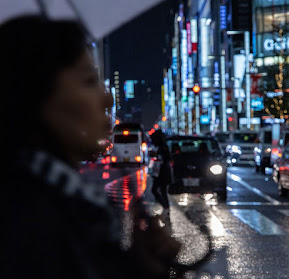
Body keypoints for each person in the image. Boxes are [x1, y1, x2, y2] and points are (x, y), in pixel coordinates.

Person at [0, 16, 180, 279]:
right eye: (88, 81)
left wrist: (142, 265)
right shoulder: (27, 219)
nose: (106, 99)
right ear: (36, 95)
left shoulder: (66, 200)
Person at [150, 130, 172, 219]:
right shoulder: (162, 147)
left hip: (162, 173)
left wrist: (156, 155)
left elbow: (166, 159)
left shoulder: (163, 148)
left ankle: (165, 207)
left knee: (157, 190)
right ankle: (166, 207)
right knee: (162, 191)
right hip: (161, 173)